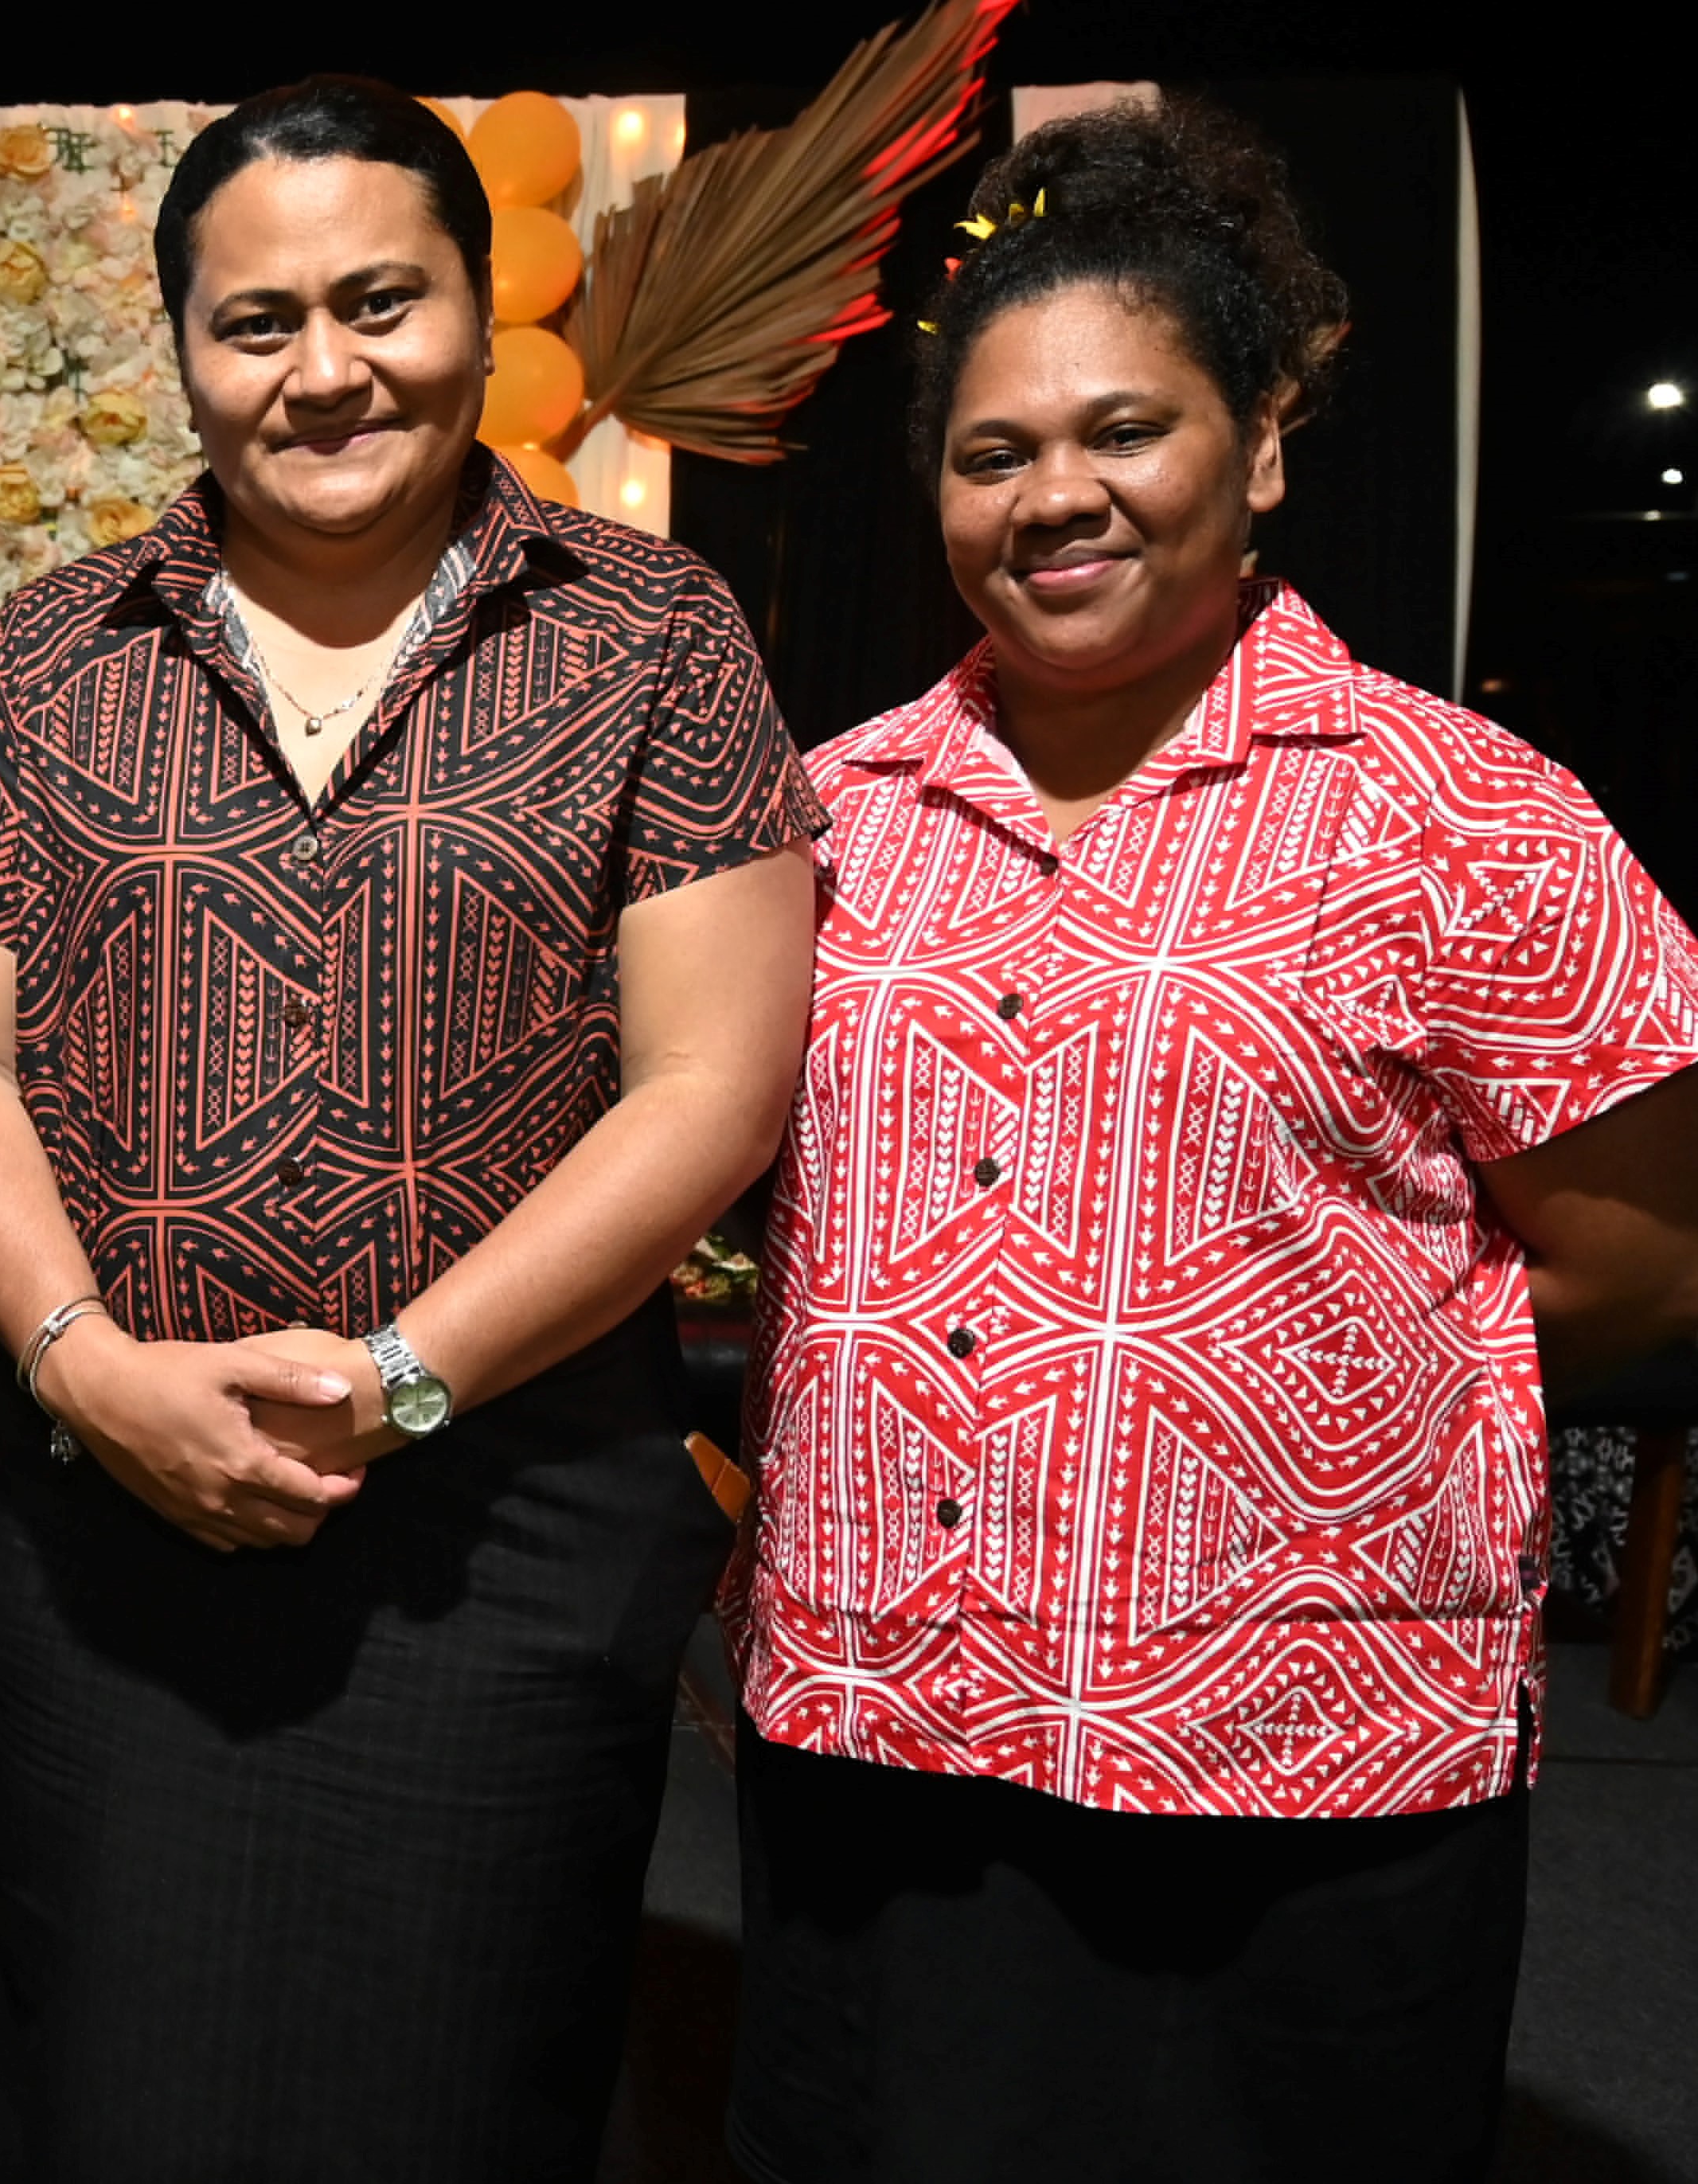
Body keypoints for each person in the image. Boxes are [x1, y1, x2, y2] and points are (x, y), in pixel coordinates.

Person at [0, 77, 822, 2178]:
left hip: (506, 1522)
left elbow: (712, 1089)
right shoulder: (51, 652)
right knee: (122, 2081)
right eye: (256, 319)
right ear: (185, 347)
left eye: (379, 300)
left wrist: (397, 1387)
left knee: (457, 2084)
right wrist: (90, 1374)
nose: (323, 371)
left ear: (479, 306)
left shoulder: (652, 633)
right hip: (112, 1516)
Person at [727, 99, 1698, 2183]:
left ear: (1257, 447)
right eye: (993, 454)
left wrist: (1294, 1457)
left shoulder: (1462, 816)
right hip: (884, 1741)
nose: (1054, 496)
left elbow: (1630, 1263)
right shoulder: (825, 820)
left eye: (1122, 432)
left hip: (1301, 1772)